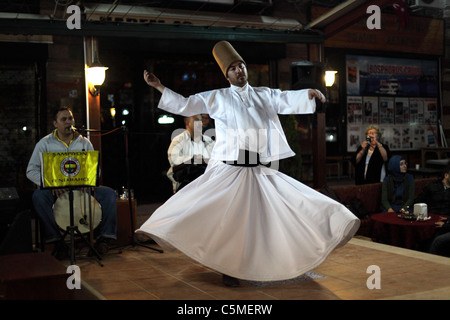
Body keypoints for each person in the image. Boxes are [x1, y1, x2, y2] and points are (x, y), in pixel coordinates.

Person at [137, 40, 359, 286]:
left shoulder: (263, 94)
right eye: (232, 68)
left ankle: (275, 257)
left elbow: (284, 98)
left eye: (240, 65)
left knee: (283, 210)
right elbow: (185, 104)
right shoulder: (217, 97)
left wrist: (307, 93)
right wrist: (159, 87)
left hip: (257, 170)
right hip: (229, 170)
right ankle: (230, 268)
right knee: (224, 220)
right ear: (227, 75)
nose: (238, 70)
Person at [26, 106, 117, 258]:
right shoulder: (45, 144)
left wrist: (89, 183)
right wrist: (50, 184)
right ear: (55, 124)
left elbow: (95, 169)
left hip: (82, 188)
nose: (68, 122)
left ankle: (104, 239)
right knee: (38, 196)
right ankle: (57, 241)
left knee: (108, 194)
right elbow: (31, 171)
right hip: (56, 190)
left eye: (70, 118)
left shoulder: (84, 142)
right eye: (64, 119)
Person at [167, 114, 215, 193]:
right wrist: (194, 159)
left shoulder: (208, 140)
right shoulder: (178, 140)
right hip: (185, 185)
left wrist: (204, 160)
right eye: (196, 120)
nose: (199, 123)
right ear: (187, 123)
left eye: (200, 120)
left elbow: (215, 158)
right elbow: (174, 161)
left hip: (206, 184)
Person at [415, 165, 450, 257]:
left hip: (446, 222)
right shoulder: (432, 186)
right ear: (446, 175)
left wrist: (447, 223)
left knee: (436, 239)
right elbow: (419, 201)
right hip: (430, 219)